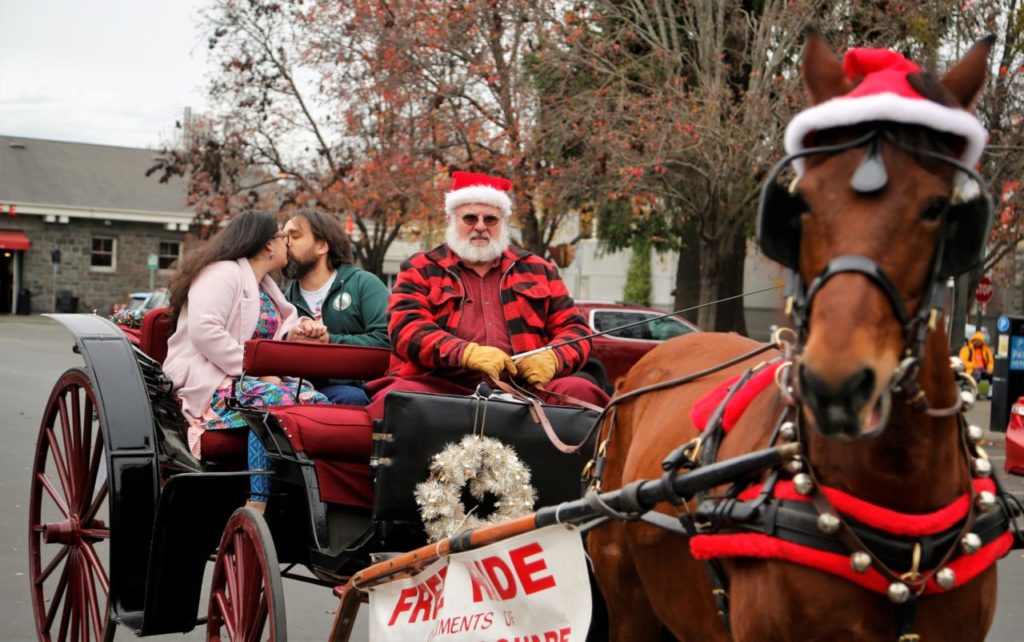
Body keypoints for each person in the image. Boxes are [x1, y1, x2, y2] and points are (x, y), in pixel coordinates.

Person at [365, 170, 609, 420]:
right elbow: (406, 329)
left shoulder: (540, 270)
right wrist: (465, 353)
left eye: (490, 219)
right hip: (439, 386)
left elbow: (577, 330)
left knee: (583, 392)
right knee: (399, 396)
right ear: (451, 219)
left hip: (524, 389)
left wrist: (553, 358)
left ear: (502, 222)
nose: (480, 226)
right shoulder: (419, 269)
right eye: (470, 218)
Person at [163, 210, 330, 511]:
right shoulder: (221, 273)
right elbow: (205, 331)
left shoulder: (265, 284)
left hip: (255, 381)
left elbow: (273, 333)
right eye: (282, 237)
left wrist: (301, 331)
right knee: (271, 405)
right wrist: (256, 369)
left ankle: (315, 498)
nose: (286, 245)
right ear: (268, 245)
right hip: (214, 382)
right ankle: (259, 500)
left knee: (319, 404)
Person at [282, 209, 390, 405]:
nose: (285, 242)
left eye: (294, 236)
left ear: (322, 246)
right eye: (283, 236)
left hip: (357, 392)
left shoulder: (363, 284)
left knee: (350, 398)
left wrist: (329, 340)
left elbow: (387, 341)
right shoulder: (284, 301)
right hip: (298, 390)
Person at [960, 330, 995, 399]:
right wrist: (973, 366)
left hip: (983, 369)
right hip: (971, 369)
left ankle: (990, 394)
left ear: (982, 342)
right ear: (973, 340)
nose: (977, 342)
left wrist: (990, 368)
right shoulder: (966, 349)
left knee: (992, 375)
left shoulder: (986, 350)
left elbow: (991, 362)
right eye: (975, 340)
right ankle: (975, 392)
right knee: (977, 373)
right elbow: (962, 361)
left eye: (979, 341)